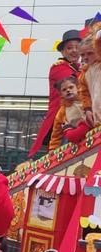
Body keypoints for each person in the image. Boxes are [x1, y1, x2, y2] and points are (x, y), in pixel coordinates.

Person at [30, 29, 82, 157]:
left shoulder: (81, 67)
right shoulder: (58, 67)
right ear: (63, 52)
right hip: (63, 121)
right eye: (70, 48)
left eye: (78, 47)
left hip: (80, 115)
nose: (74, 50)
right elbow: (76, 84)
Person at [49, 76, 89, 150]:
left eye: (71, 87)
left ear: (77, 87)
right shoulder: (62, 112)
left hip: (92, 132)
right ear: (61, 94)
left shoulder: (86, 100)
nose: (68, 90)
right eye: (64, 90)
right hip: (76, 142)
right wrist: (52, 150)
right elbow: (56, 134)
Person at [78, 31, 100, 130]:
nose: (85, 57)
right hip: (98, 120)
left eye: (90, 53)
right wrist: (87, 109)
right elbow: (84, 93)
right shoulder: (84, 74)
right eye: (82, 55)